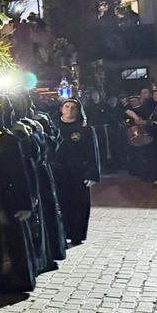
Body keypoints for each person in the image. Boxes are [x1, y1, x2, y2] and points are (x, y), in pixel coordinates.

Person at [52, 99, 101, 245]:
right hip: (58, 172)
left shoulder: (85, 129)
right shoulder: (53, 127)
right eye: (66, 107)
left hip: (79, 173)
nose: (70, 110)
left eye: (73, 108)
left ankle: (77, 235)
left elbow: (93, 152)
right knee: (60, 204)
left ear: (78, 110)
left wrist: (92, 174)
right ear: (61, 109)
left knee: (79, 205)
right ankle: (61, 234)